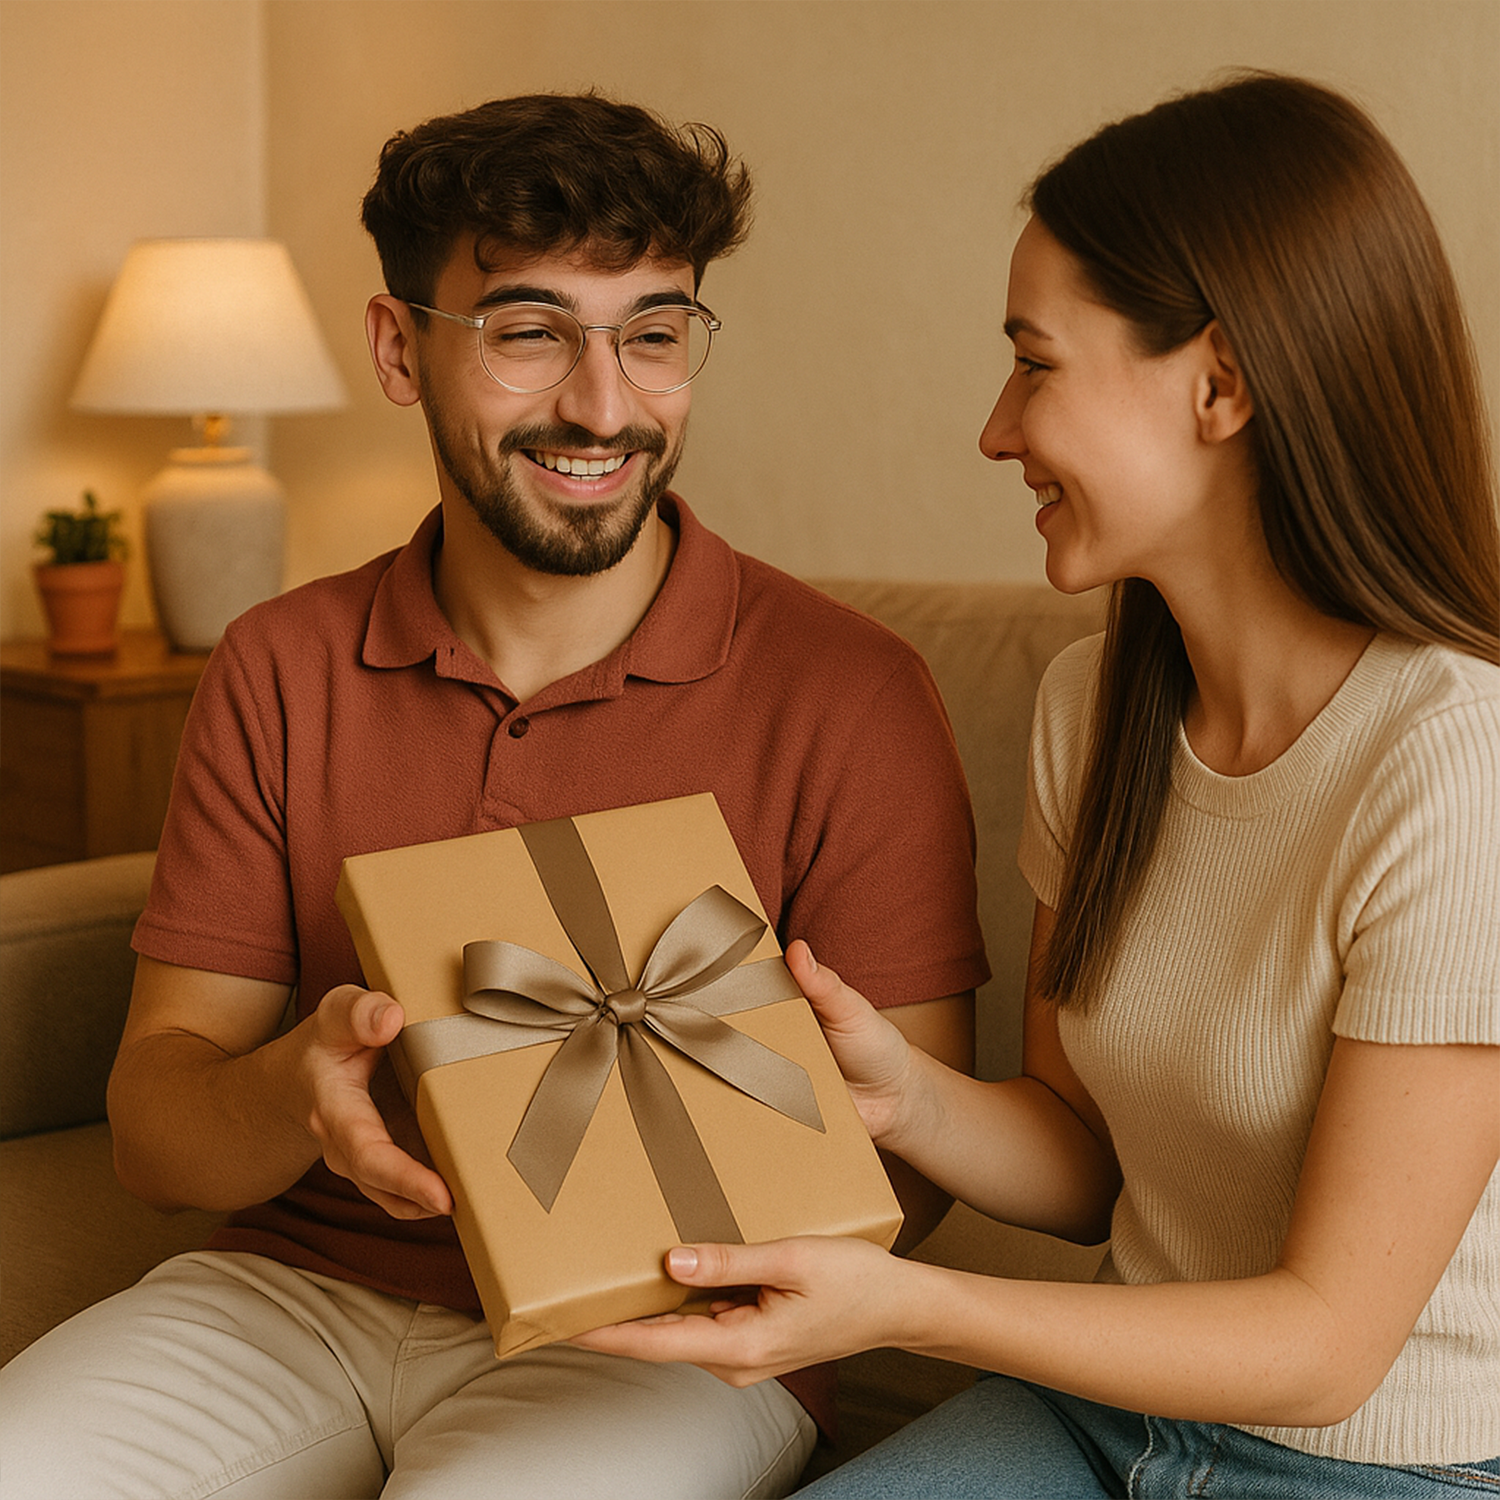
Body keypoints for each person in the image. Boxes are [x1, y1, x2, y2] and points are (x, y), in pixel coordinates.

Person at [0, 93, 988, 1500]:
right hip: (296, 1292)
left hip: (667, 1336)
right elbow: (157, 1131)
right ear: (400, 349)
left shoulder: (851, 691)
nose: (601, 404)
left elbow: (919, 1180)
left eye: (652, 334)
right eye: (529, 334)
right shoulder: (280, 665)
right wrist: (300, 1089)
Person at [575, 73, 1500, 1497]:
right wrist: (900, 1096)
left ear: (1223, 384)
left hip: (1383, 1465)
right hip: (1102, 1415)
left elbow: (1331, 1347)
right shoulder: (1097, 711)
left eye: (1035, 363)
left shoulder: (1452, 760)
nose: (997, 431)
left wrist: (904, 1305)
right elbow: (1084, 1166)